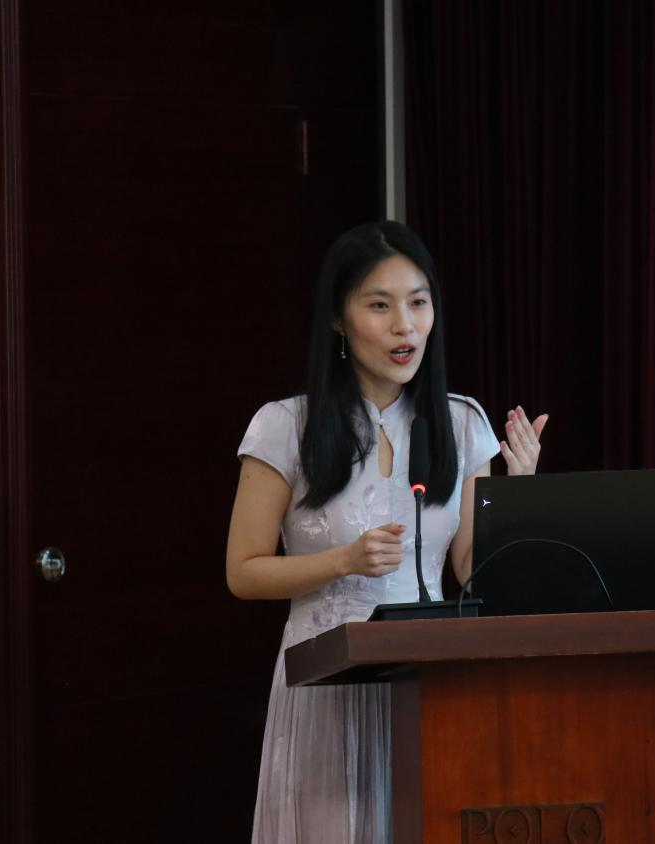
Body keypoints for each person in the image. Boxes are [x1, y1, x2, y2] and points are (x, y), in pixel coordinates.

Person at [225, 221, 548, 844]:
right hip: (326, 690)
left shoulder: (461, 423)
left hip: (429, 687)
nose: (406, 326)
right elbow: (242, 570)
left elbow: (473, 570)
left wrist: (520, 492)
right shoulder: (285, 426)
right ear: (338, 319)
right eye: (380, 306)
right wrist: (342, 561)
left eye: (418, 303)